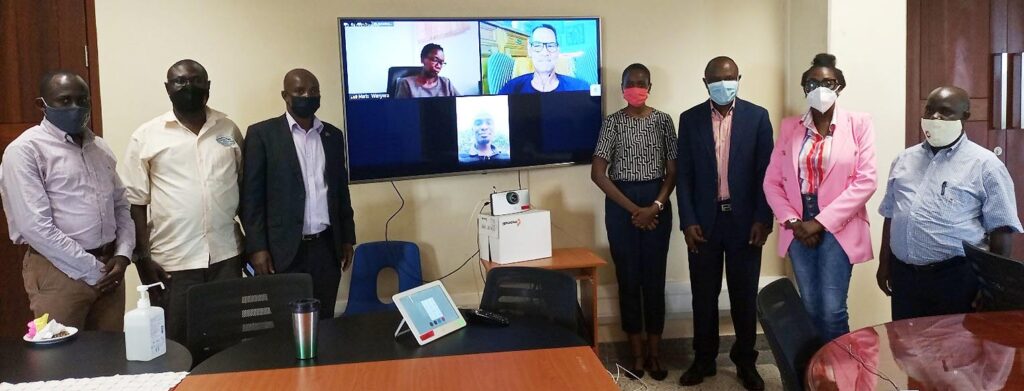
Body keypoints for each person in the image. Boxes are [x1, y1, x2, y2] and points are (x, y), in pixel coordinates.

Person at [120, 59, 244, 342]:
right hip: (173, 263)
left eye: (196, 80)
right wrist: (142, 259)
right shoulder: (146, 136)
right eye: (180, 81)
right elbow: (135, 204)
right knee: (179, 344)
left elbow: (242, 187)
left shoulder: (228, 130)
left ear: (208, 86)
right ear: (168, 88)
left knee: (228, 340)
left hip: (226, 257)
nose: (188, 86)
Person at [0, 70, 134, 331]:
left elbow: (121, 205)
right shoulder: (25, 151)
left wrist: (123, 255)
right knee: (60, 362)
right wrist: (94, 270)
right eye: (65, 100)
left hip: (110, 270)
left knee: (111, 362)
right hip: (58, 272)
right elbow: (35, 227)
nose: (76, 107)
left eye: (82, 100)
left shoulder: (100, 148)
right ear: (42, 104)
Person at [877, 86, 1021, 320]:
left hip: (955, 279)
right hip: (905, 277)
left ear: (965, 116)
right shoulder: (903, 160)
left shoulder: (986, 165)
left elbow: (1001, 230)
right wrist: (885, 263)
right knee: (906, 349)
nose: (935, 117)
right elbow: (891, 214)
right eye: (930, 110)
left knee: (953, 352)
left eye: (945, 112)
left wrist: (993, 287)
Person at [763, 53, 877, 341]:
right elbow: (772, 181)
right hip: (798, 221)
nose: (820, 88)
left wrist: (820, 223)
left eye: (828, 82)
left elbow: (866, 181)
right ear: (804, 89)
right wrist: (793, 221)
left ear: (840, 86)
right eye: (812, 83)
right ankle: (815, 376)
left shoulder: (858, 124)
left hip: (840, 224)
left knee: (832, 310)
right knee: (810, 307)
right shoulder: (791, 127)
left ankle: (841, 379)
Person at [676, 56, 773, 390]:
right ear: (705, 82)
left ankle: (745, 361)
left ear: (738, 78)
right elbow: (684, 176)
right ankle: (703, 359)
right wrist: (687, 220)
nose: (723, 84)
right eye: (716, 79)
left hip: (746, 222)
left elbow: (767, 174)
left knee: (744, 296)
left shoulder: (758, 117)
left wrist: (764, 218)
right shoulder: (689, 120)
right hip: (703, 222)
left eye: (729, 78)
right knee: (703, 296)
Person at [241, 69, 356, 319]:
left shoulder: (332, 135)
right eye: (300, 91)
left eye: (313, 91)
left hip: (327, 247)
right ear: (285, 95)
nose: (308, 96)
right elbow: (251, 199)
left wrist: (347, 237)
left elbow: (340, 191)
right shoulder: (262, 135)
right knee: (285, 324)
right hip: (282, 250)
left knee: (324, 319)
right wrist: (257, 248)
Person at [591, 63, 676, 381]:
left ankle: (656, 354)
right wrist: (634, 211)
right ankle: (636, 356)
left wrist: (654, 206)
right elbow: (598, 173)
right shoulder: (611, 123)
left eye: (642, 83)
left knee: (655, 281)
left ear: (650, 86)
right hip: (620, 205)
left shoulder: (664, 121)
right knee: (628, 281)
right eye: (630, 83)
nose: (636, 88)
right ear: (622, 87)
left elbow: (673, 171)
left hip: (658, 202)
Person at [497, 24, 590, 94]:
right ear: (530, 50)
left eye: (551, 45)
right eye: (537, 45)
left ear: (558, 51)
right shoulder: (511, 88)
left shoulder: (580, 87)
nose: (545, 52)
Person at [393, 43, 459, 98]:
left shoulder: (446, 83)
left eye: (441, 63)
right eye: (435, 60)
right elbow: (400, 111)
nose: (438, 66)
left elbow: (462, 103)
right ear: (422, 59)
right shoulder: (406, 84)